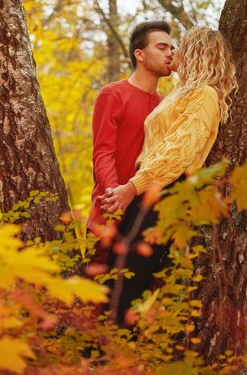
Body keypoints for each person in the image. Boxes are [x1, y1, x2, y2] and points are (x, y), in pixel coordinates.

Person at [101, 26, 238, 325]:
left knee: (125, 286)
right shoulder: (182, 94)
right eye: (166, 47)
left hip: (164, 190)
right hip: (153, 189)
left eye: (179, 47)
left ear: (196, 52)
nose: (172, 52)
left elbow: (178, 153)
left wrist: (132, 187)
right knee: (117, 278)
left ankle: (108, 362)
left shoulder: (204, 95)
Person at [87, 21, 174, 270]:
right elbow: (103, 152)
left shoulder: (167, 104)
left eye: (172, 47)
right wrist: (116, 196)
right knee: (97, 299)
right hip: (110, 210)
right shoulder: (113, 93)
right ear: (140, 54)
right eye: (162, 47)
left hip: (149, 218)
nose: (170, 53)